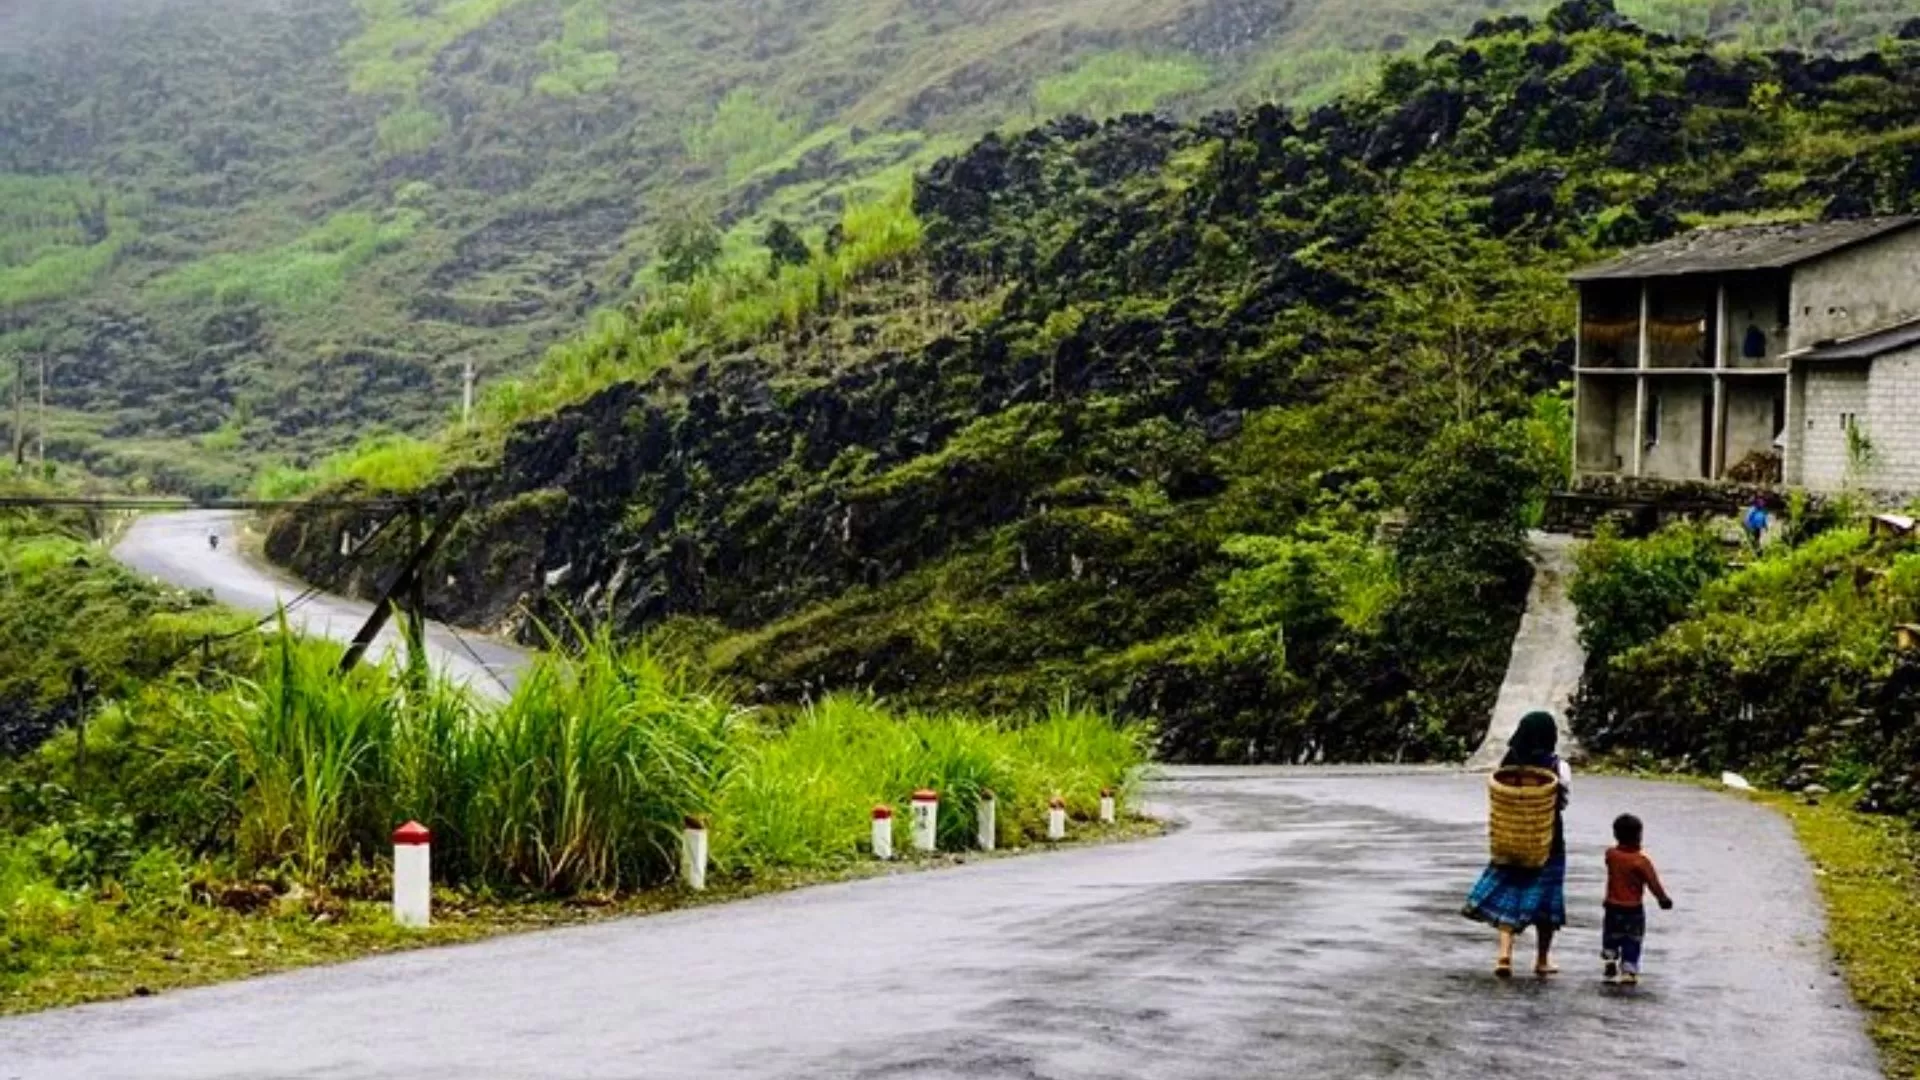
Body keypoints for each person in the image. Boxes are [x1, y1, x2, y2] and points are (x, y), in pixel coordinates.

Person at [1463, 711, 1572, 978]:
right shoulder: (1558, 767)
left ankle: (1504, 955)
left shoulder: (1506, 766)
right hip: (1546, 841)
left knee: (1511, 897)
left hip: (1510, 840)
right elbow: (1564, 800)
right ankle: (1542, 959)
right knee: (1546, 902)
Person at [1602, 813, 1673, 986]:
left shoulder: (1611, 855)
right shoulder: (1641, 862)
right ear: (1638, 836)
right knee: (1632, 939)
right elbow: (1653, 883)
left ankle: (1610, 959)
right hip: (1633, 909)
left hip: (1612, 906)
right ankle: (1629, 970)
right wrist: (1663, 899)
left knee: (1611, 935)